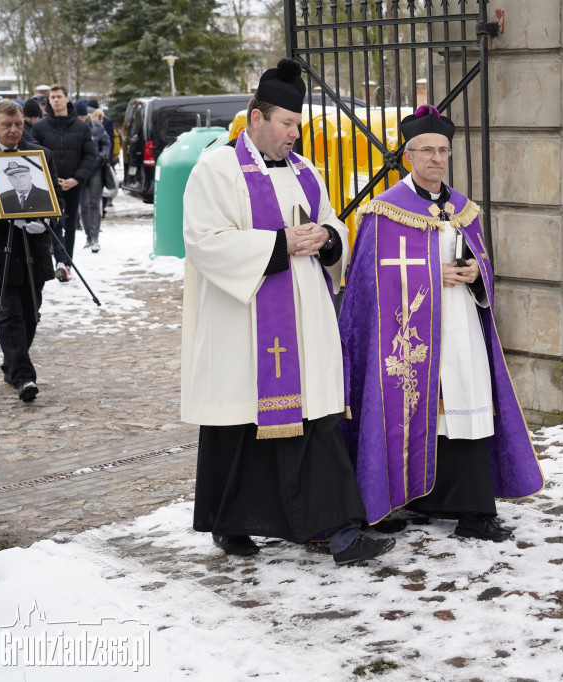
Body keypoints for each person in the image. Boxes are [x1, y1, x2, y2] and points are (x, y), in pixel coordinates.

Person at [181, 58, 394, 566]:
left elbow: (332, 226)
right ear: (256, 118)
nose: (295, 135)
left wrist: (328, 238)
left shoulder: (306, 172)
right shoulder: (216, 169)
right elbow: (203, 242)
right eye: (287, 124)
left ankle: (341, 531)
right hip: (245, 322)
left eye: (298, 125)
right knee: (239, 429)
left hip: (305, 319)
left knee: (315, 423)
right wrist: (276, 244)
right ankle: (230, 523)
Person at [338, 105, 545, 542]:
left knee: (466, 411)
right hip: (410, 334)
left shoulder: (462, 208)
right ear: (408, 155)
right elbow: (368, 282)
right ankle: (405, 500)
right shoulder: (384, 212)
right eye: (427, 150)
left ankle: (473, 510)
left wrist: (476, 274)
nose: (437, 158)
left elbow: (481, 260)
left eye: (443, 150)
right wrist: (433, 274)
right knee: (411, 413)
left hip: (460, 328)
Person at [0, 99, 63, 403]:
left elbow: (56, 198)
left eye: (18, 124)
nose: (14, 130)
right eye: (7, 124)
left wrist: (46, 220)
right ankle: (24, 377)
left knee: (31, 313)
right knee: (8, 314)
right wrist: (1, 213)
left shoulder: (40, 156)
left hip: (33, 248)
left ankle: (12, 363)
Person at [31, 84, 95, 283]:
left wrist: (77, 179)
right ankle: (60, 262)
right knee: (55, 222)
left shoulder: (81, 127)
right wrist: (50, 179)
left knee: (71, 223)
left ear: (67, 99)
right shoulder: (40, 127)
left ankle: (67, 263)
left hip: (73, 184)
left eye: (59, 96)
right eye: (52, 97)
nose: (56, 100)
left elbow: (89, 156)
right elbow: (35, 156)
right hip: (50, 184)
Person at [78, 106, 110, 253]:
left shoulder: (96, 125)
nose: (81, 119)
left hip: (96, 169)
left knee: (93, 203)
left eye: (82, 116)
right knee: (83, 205)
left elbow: (106, 142)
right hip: (79, 171)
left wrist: (103, 155)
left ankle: (95, 237)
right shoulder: (73, 126)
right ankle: (88, 236)